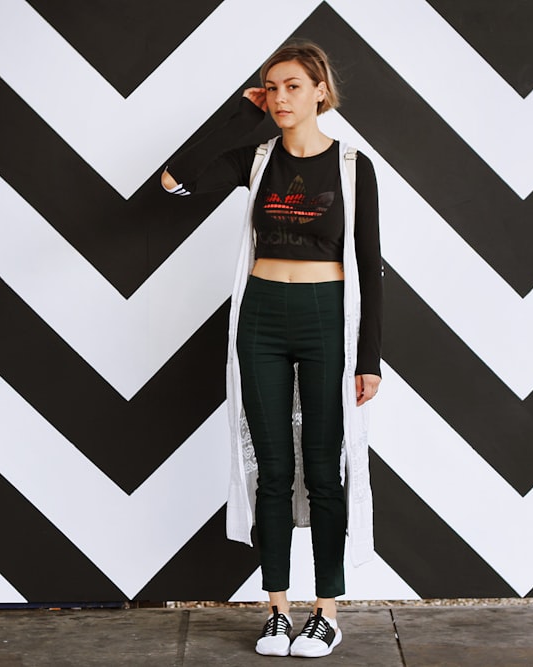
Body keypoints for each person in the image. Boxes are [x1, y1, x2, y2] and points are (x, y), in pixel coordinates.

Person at [161, 41, 382, 658]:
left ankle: (326, 612)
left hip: (324, 321)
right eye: (271, 88)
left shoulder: (352, 165)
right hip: (258, 317)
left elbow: (370, 264)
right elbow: (175, 183)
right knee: (272, 470)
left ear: (319, 91)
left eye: (292, 86)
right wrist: (239, 115)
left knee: (323, 465)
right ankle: (278, 612)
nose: (281, 98)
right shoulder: (255, 159)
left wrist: (369, 358)